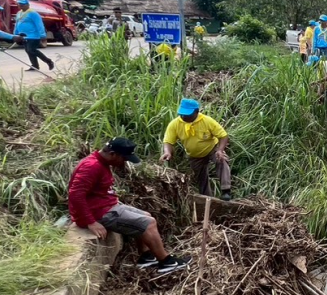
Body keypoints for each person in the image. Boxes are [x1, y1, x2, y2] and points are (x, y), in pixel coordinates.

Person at [68, 137, 188, 274]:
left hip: (105, 206)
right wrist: (91, 222)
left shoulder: (100, 162)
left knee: (146, 216)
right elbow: (75, 195)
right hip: (98, 213)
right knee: (148, 223)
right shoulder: (92, 166)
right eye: (124, 159)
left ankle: (146, 257)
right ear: (113, 154)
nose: (124, 162)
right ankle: (166, 262)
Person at [161, 98, 233, 201]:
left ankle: (226, 190)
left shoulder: (207, 121)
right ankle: (208, 199)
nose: (184, 116)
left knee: (221, 160)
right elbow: (168, 141)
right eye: (182, 114)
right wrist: (167, 152)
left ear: (196, 112)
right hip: (194, 155)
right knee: (201, 177)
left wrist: (220, 150)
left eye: (187, 114)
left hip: (211, 149)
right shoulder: (175, 124)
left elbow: (223, 136)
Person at [14, 0, 55, 72]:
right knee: (28, 51)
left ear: (27, 5)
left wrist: (42, 35)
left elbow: (39, 24)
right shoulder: (19, 13)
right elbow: (17, 24)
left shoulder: (33, 13)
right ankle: (35, 65)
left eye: (23, 4)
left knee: (31, 50)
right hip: (23, 36)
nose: (21, 6)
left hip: (33, 36)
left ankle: (48, 61)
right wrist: (15, 34)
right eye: (19, 4)